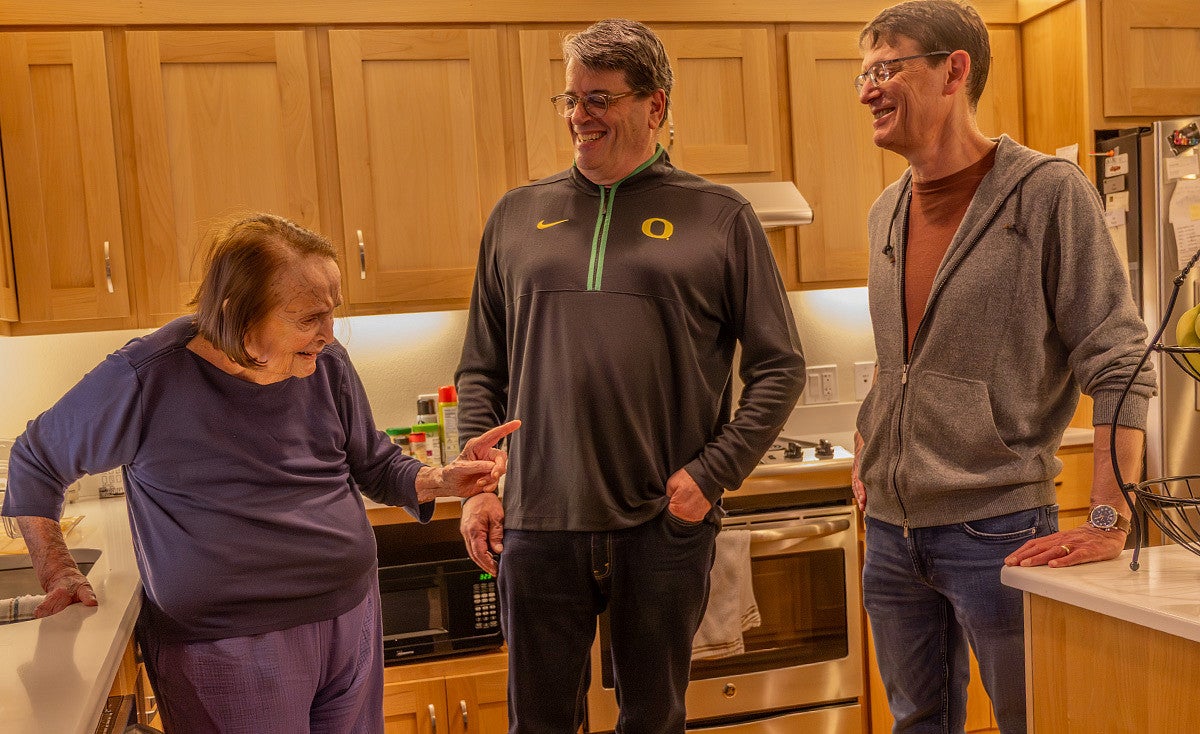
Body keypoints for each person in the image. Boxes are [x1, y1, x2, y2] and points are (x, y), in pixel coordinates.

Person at [0, 213, 519, 733]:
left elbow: (375, 464)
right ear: (239, 316)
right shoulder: (147, 375)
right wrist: (59, 570)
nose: (328, 334)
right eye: (309, 318)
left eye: (331, 312)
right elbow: (36, 458)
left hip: (350, 618)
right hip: (227, 646)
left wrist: (439, 480)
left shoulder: (325, 362)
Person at [454, 18, 806, 734]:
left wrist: (709, 476)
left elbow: (780, 367)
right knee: (539, 724)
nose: (580, 117)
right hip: (537, 523)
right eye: (572, 98)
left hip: (661, 524)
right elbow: (481, 369)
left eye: (600, 99)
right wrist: (481, 485)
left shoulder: (721, 218)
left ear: (655, 105)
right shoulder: (517, 217)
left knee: (653, 720)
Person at [850, 2, 1157, 732]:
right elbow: (899, 358)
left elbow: (1118, 361)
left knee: (1034, 719)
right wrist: (872, 444)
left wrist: (1111, 516)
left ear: (955, 69)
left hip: (998, 530)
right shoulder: (884, 212)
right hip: (891, 536)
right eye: (864, 74)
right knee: (916, 723)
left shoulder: (1047, 193)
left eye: (886, 68)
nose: (867, 90)